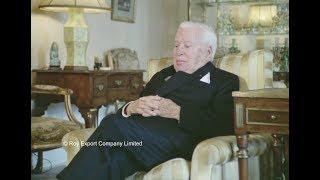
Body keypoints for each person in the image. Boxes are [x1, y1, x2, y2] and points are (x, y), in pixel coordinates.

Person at [57, 21, 239, 180]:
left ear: (208, 52)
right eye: (176, 45)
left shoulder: (224, 81)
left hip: (180, 143)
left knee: (112, 122)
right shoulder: (164, 75)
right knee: (115, 159)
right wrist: (131, 107)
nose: (179, 52)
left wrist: (178, 112)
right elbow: (139, 103)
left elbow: (222, 125)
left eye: (187, 46)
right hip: (141, 140)